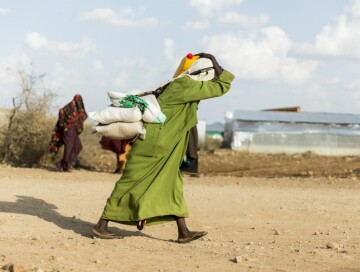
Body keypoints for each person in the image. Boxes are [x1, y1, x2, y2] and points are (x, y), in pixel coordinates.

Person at [92, 53, 234, 243]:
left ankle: (183, 232)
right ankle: (101, 225)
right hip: (157, 143)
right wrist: (214, 60)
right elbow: (220, 86)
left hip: (164, 143)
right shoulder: (185, 85)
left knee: (172, 183)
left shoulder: (180, 84)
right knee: (131, 180)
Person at [50, 94, 87, 172]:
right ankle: (64, 166)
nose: (79, 102)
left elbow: (83, 115)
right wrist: (64, 126)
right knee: (68, 149)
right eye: (78, 100)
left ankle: (62, 164)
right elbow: (61, 113)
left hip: (74, 131)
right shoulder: (69, 107)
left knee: (78, 146)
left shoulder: (78, 107)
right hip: (68, 130)